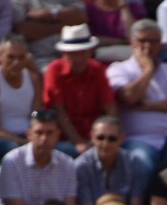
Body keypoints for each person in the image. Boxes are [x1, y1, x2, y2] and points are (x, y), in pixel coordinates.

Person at [107, 20, 167, 176]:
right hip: (141, 140)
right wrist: (148, 70)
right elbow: (129, 97)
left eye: (153, 41)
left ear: (160, 44)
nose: (148, 46)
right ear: (132, 42)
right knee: (142, 164)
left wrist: (151, 105)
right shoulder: (119, 69)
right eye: (142, 41)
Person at [0, 107, 76, 205]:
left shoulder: (67, 164)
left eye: (49, 133)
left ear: (58, 135)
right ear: (29, 134)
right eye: (39, 133)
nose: (44, 139)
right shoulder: (11, 162)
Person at [43, 24, 116, 153]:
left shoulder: (98, 69)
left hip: (96, 136)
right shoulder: (54, 70)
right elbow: (59, 112)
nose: (79, 58)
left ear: (91, 52)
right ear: (64, 54)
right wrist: (78, 142)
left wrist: (111, 137)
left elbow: (110, 107)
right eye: (73, 54)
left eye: (83, 52)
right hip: (65, 138)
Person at [74, 113, 144, 205]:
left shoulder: (134, 163)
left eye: (112, 139)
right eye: (100, 138)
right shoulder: (81, 166)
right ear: (92, 137)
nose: (105, 144)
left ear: (122, 139)